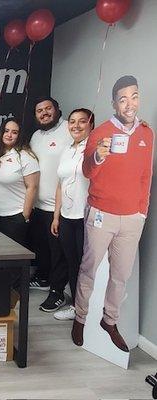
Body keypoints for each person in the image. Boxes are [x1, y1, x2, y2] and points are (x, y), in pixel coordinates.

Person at [72, 76, 154, 352]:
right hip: (101, 213)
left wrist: (143, 210)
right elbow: (86, 170)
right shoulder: (100, 132)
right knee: (89, 269)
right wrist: (98, 156)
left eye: (134, 96)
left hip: (132, 218)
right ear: (114, 103)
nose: (129, 104)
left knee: (121, 275)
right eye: (123, 99)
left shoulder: (146, 133)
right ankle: (80, 318)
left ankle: (110, 320)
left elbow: (146, 175)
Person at [29, 96, 73, 313]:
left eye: (48, 109)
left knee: (59, 253)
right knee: (42, 247)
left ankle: (57, 292)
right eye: (39, 110)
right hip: (39, 204)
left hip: (59, 206)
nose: (44, 113)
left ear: (57, 109)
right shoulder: (36, 135)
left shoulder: (68, 129)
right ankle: (43, 278)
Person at [50, 109, 93, 321]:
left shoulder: (94, 148)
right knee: (72, 262)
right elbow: (60, 185)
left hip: (86, 218)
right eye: (72, 122)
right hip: (67, 217)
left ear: (90, 124)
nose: (76, 126)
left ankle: (88, 311)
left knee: (86, 266)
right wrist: (56, 216)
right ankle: (77, 308)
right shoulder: (67, 150)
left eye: (82, 122)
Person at [0, 118, 39, 246]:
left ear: (20, 135)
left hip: (14, 217)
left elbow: (32, 187)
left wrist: (25, 216)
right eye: (6, 131)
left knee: (12, 262)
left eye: (14, 132)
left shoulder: (26, 156)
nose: (9, 135)